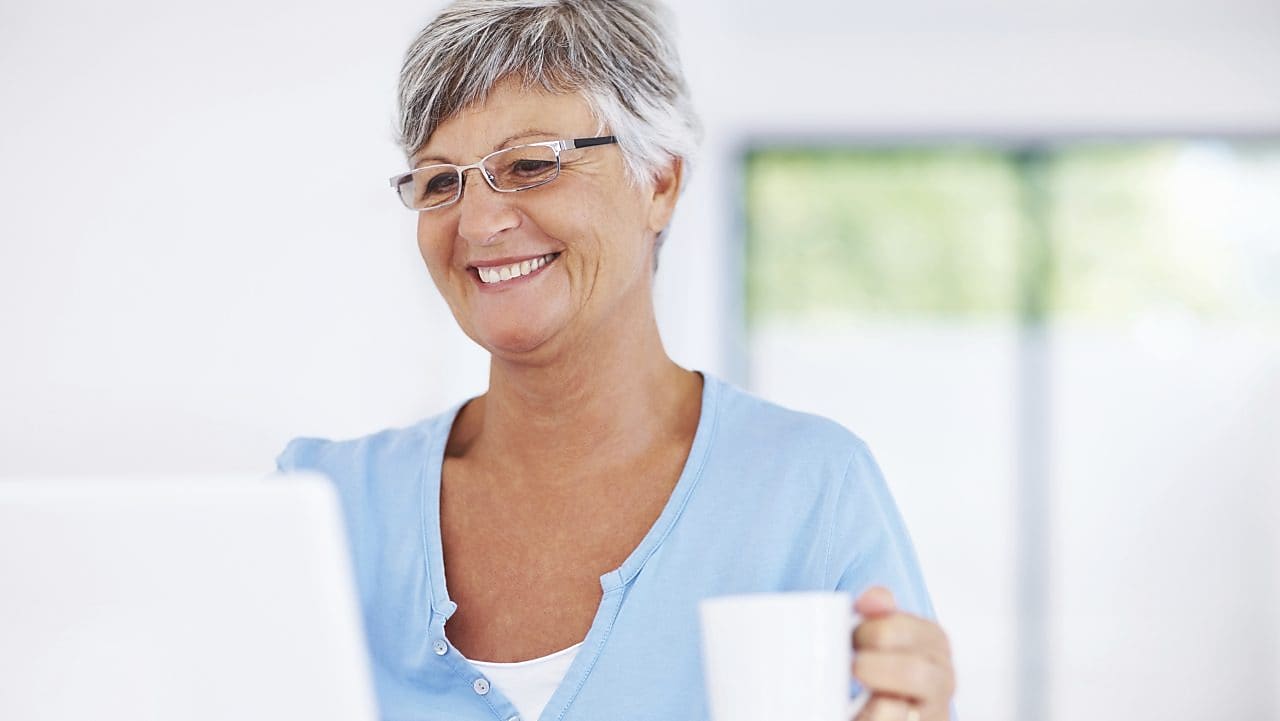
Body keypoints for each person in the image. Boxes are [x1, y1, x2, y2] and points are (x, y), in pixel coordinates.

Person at [277, 1, 957, 720]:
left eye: (531, 164)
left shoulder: (812, 489)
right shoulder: (320, 503)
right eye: (441, 181)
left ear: (658, 182)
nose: (478, 222)